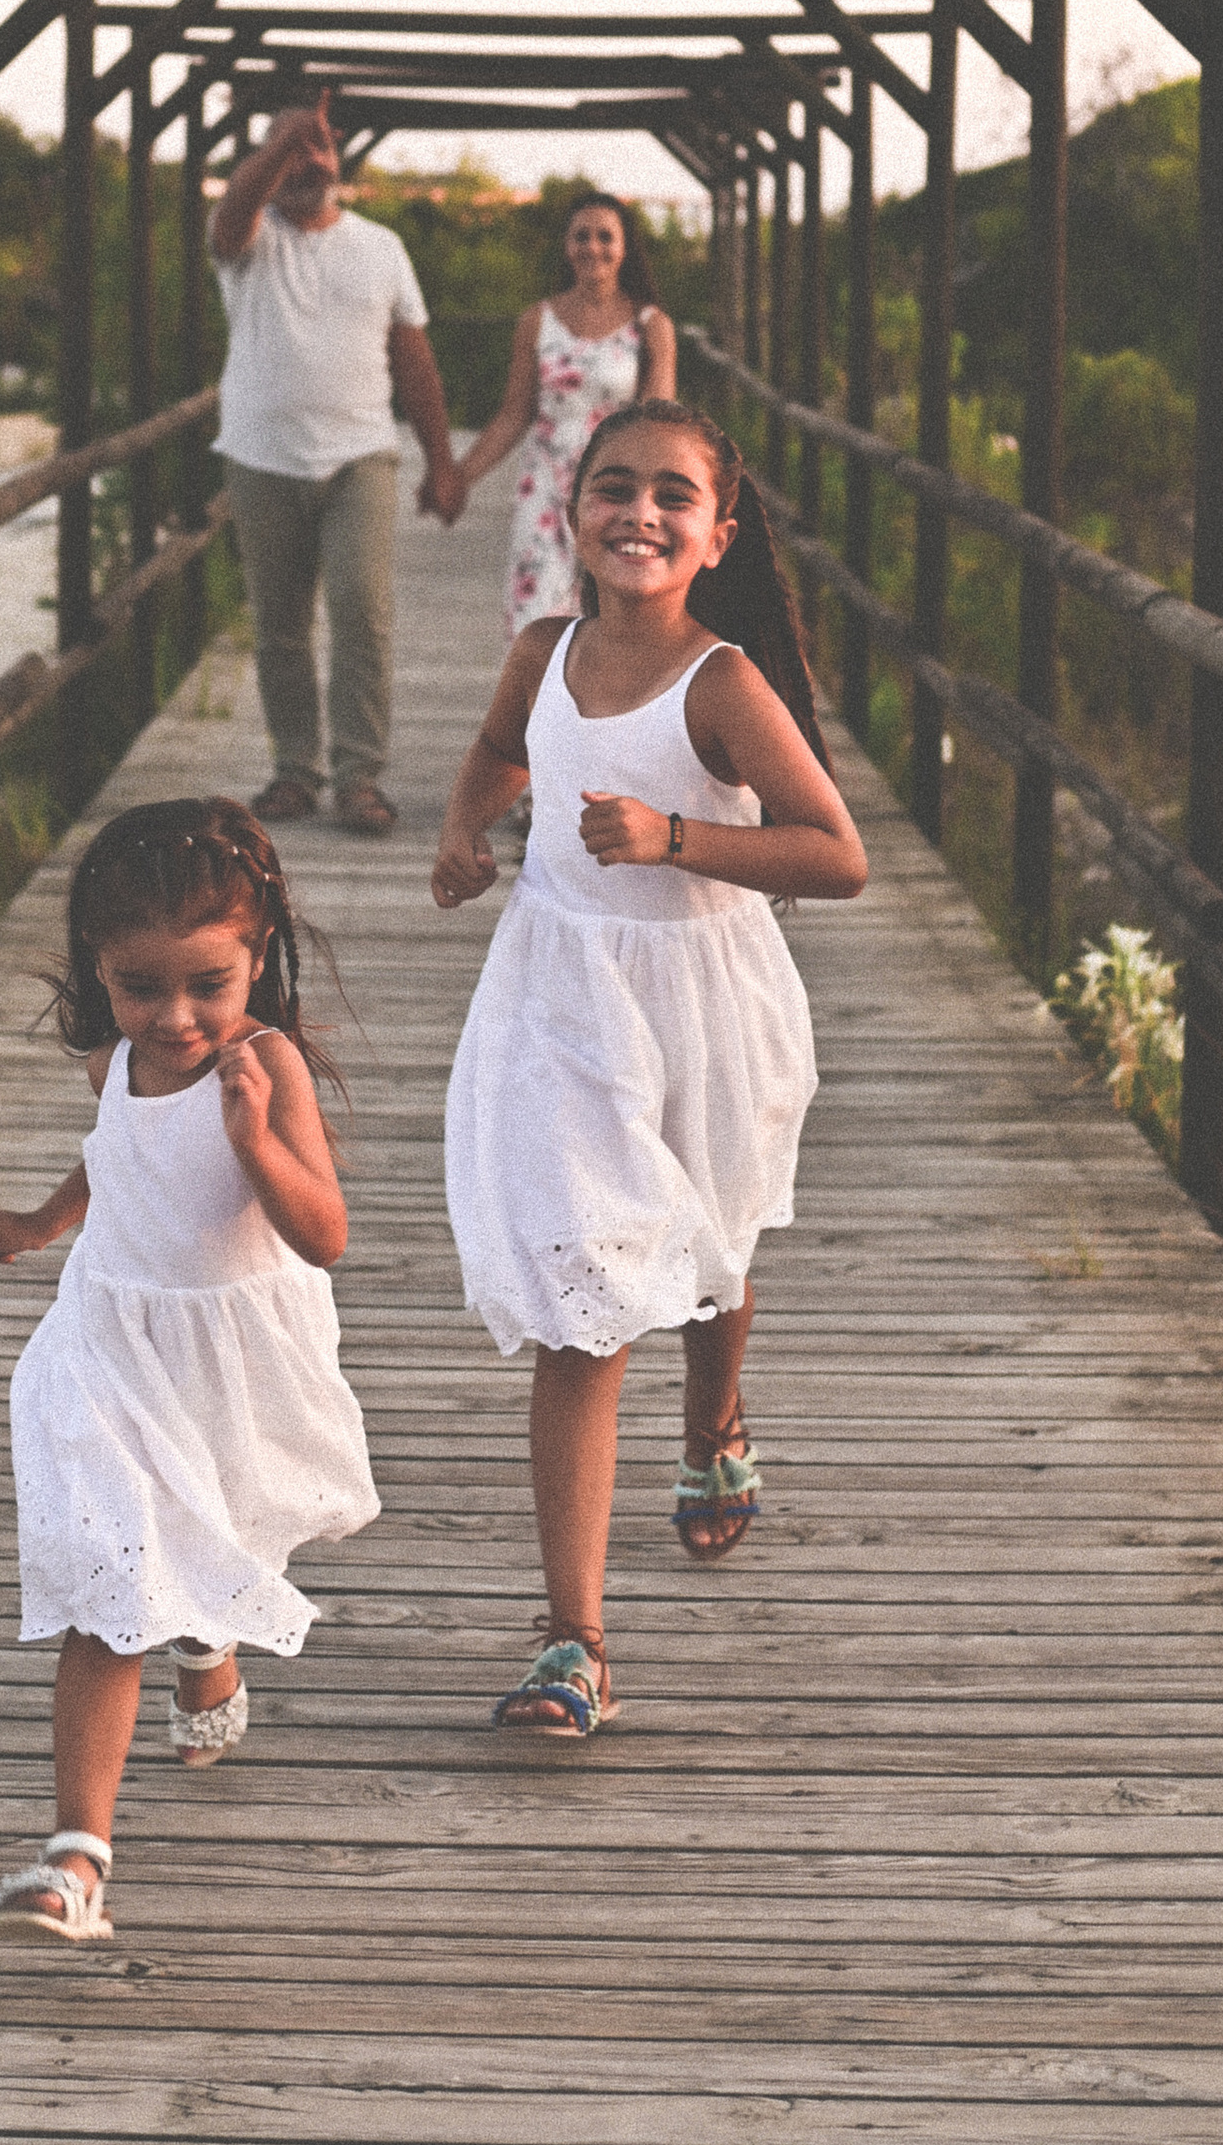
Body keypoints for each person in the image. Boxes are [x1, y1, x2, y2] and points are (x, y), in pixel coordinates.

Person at [429, 400, 866, 1741]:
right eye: (612, 487)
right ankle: (576, 1640)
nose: (641, 512)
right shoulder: (541, 652)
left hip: (704, 1001)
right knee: (586, 1299)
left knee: (714, 1252)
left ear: (716, 533)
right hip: (563, 995)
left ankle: (713, 1415)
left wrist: (677, 833)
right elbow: (504, 750)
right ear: (572, 512)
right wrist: (463, 830)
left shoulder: (723, 683)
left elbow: (836, 852)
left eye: (674, 494)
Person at [0, 798, 377, 1943]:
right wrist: (40, 1223)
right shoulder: (113, 1061)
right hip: (108, 1341)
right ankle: (75, 1857)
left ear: (256, 959)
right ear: (100, 968)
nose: (175, 1016)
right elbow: (113, 1162)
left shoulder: (265, 1065)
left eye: (208, 984)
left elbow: (325, 1232)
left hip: (228, 1348)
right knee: (110, 1582)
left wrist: (252, 1141)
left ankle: (213, 1644)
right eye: (142, 987)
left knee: (209, 1538)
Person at [210, 89, 465, 836]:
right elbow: (232, 216)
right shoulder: (247, 241)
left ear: (340, 159)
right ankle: (296, 770)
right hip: (261, 458)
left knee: (362, 612)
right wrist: (282, 140)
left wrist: (441, 462)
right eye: (284, 156)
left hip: (361, 457)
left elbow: (414, 360)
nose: (299, 168)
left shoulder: (380, 246)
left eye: (314, 153)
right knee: (279, 624)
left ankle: (359, 776)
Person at [455, 191, 678, 639]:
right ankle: (536, 709)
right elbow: (514, 415)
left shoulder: (650, 324)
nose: (592, 247)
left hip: (614, 493)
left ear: (624, 248)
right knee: (536, 623)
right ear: (566, 245)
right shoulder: (538, 321)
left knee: (609, 623)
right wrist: (456, 478)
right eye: (581, 236)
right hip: (545, 492)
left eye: (605, 237)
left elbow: (659, 425)